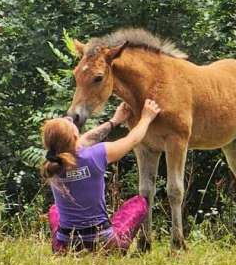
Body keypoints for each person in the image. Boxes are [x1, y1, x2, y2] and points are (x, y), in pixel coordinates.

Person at [41, 98, 161, 252]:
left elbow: (86, 139)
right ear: (75, 137)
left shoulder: (51, 164)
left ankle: (63, 247)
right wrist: (146, 118)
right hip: (105, 244)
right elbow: (132, 140)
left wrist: (114, 121)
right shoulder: (96, 155)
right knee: (140, 203)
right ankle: (113, 249)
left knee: (54, 210)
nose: (70, 119)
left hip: (65, 246)